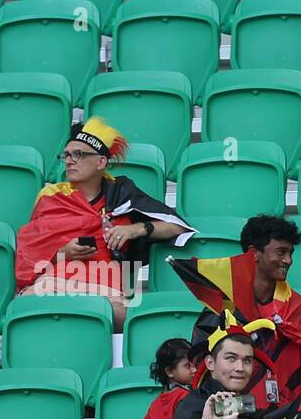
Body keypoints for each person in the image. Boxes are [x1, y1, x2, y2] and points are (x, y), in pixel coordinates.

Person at [15, 117, 194, 328]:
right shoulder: (50, 196)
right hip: (53, 284)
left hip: (105, 288)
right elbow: (32, 250)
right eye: (67, 155)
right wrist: (63, 252)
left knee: (122, 315)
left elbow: (177, 226)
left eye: (79, 154)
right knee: (26, 305)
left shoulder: (122, 194)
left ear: (101, 162)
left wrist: (136, 229)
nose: (70, 160)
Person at [186, 214, 301, 410]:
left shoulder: (298, 308)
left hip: (288, 418)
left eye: (291, 253)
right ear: (254, 253)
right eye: (281, 252)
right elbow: (203, 373)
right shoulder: (222, 307)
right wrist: (248, 413)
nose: (288, 260)